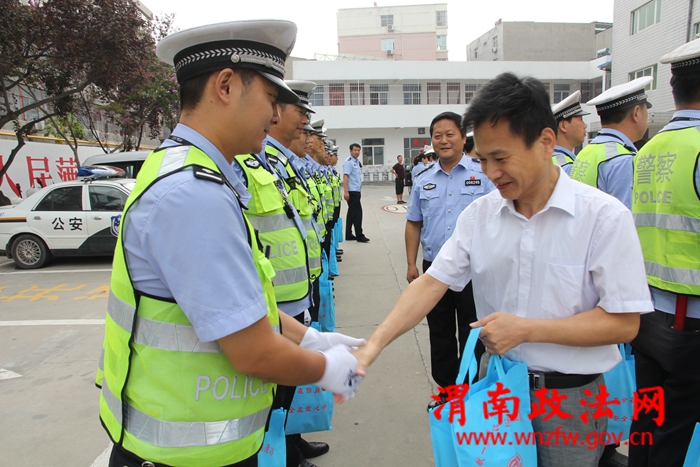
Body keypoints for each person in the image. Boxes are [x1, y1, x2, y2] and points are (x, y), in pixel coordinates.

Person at [96, 21, 364, 467]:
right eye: (270, 98)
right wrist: (329, 369)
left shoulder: (187, 170)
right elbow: (253, 350)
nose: (275, 116)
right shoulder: (193, 193)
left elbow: (236, 304)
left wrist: (308, 337)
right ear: (225, 86)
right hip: (182, 454)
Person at [354, 73, 654, 467]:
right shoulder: (480, 215)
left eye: (501, 158)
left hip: (569, 400)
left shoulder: (603, 217)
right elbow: (431, 283)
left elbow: (624, 323)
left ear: (545, 141)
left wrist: (528, 329)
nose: (490, 172)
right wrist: (373, 345)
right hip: (497, 391)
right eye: (482, 159)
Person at [629, 39, 700, 467]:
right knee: (675, 434)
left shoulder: (648, 150)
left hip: (649, 314)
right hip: (690, 321)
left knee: (647, 418)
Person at [405, 111, 494, 392]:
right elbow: (414, 222)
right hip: (435, 268)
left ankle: (471, 390)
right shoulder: (423, 178)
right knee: (439, 330)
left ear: (463, 137)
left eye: (449, 134)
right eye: (437, 136)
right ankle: (447, 390)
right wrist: (411, 263)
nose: (443, 140)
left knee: (473, 330)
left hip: (474, 268)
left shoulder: (483, 174)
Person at [570, 77, 653, 209]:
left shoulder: (586, 152)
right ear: (636, 113)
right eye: (646, 111)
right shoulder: (623, 160)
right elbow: (624, 215)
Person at [551, 90, 589, 175]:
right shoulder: (567, 168)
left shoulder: (547, 158)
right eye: (581, 120)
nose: (585, 125)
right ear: (563, 126)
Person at [343, 143, 369, 242]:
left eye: (358, 150)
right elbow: (345, 176)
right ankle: (359, 235)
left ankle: (348, 234)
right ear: (350, 151)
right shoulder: (349, 162)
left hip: (356, 191)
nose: (357, 152)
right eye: (355, 150)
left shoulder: (356, 162)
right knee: (358, 213)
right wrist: (346, 191)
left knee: (351, 213)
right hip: (352, 191)